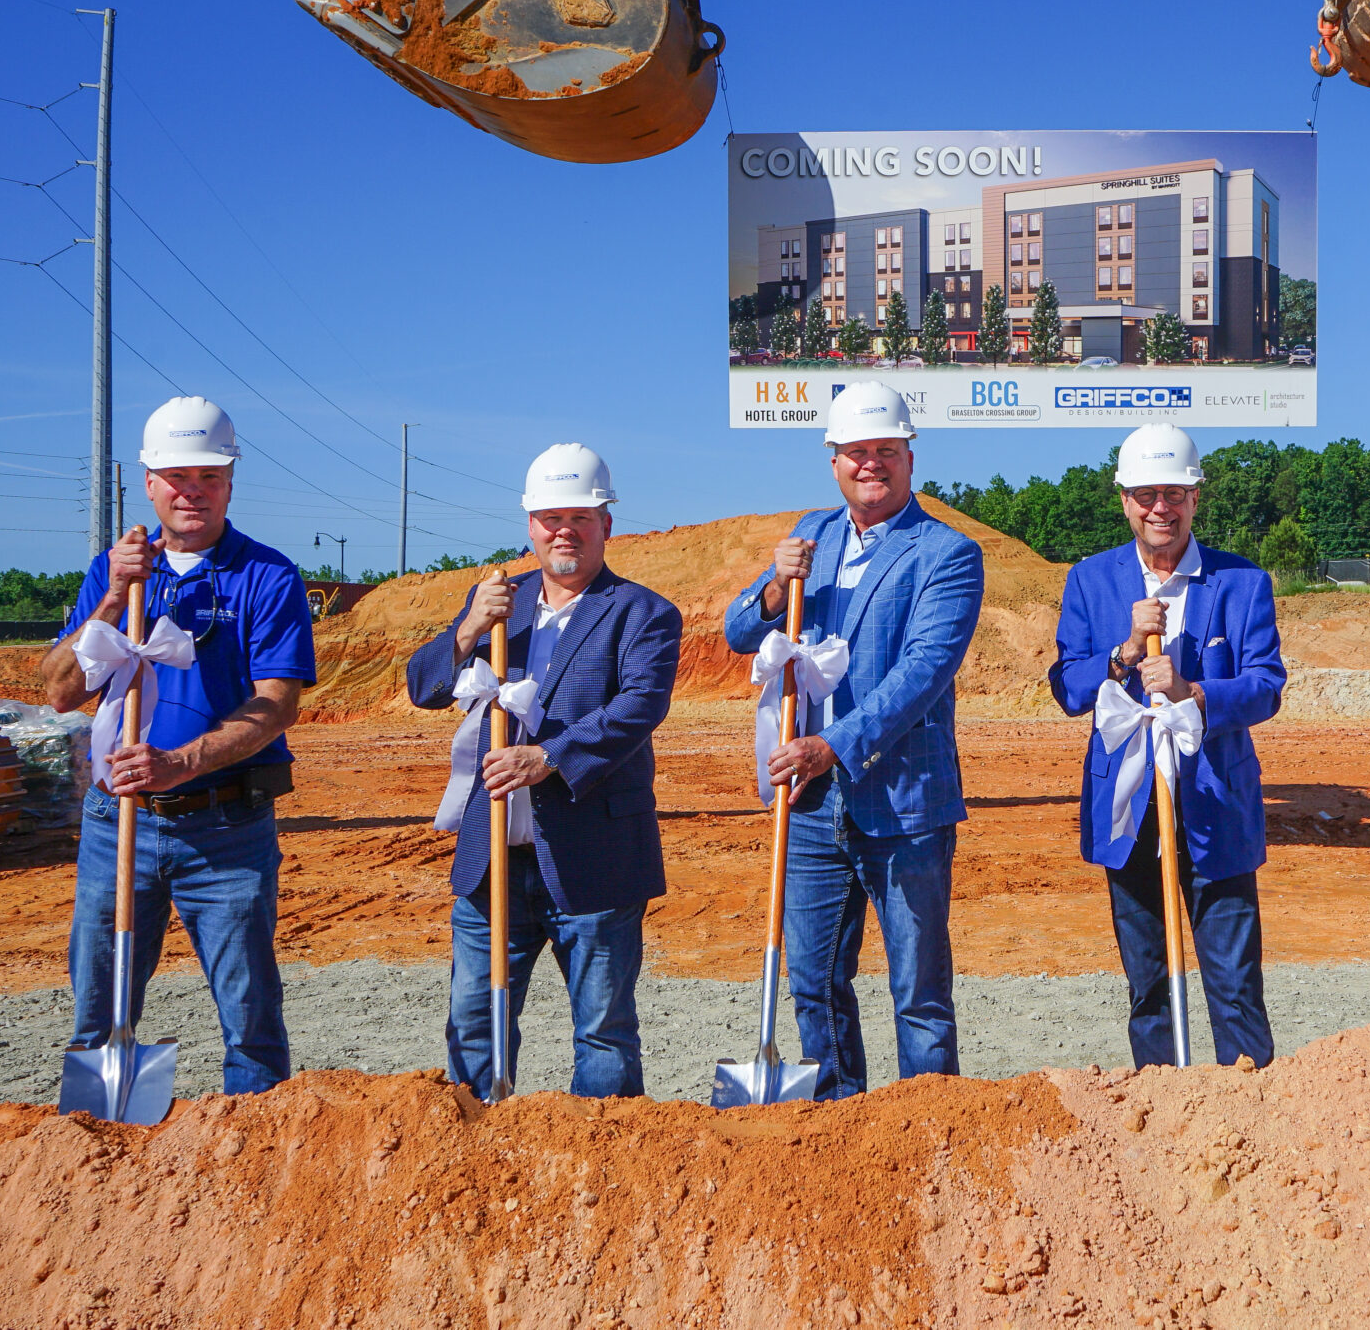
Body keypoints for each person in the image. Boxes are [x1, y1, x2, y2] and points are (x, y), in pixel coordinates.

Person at [42, 396, 316, 1094]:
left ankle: (252, 1164)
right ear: (150, 482)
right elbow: (60, 691)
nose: (192, 490)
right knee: (98, 1014)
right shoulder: (116, 572)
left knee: (251, 1023)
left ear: (229, 481)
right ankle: (100, 1157)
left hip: (226, 827)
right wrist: (112, 598)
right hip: (117, 827)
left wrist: (177, 763)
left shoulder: (268, 576)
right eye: (178, 476)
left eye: (209, 476)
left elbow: (276, 704)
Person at [722, 381, 984, 1098]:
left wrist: (831, 744)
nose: (871, 464)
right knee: (814, 983)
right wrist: (775, 591)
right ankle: (839, 1127)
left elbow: (921, 673)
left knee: (918, 993)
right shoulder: (812, 535)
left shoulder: (948, 554)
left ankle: (930, 1134)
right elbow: (737, 631)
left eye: (885, 451)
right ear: (834, 459)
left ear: (909, 456)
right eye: (857, 452)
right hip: (810, 804)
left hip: (903, 803)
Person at [405, 444, 683, 1098]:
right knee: (474, 1025)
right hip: (492, 859)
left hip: (596, 859)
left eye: (581, 516)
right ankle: (475, 1165)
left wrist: (549, 756)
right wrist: (470, 624)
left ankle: (606, 1174)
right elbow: (423, 685)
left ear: (606, 524)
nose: (565, 530)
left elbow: (639, 706)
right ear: (530, 525)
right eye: (551, 517)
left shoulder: (644, 613)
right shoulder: (500, 605)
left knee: (604, 1031)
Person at [1050, 424, 1285, 1067]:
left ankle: (1248, 1114)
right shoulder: (1091, 582)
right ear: (1124, 499)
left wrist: (1195, 693)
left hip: (1217, 807)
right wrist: (1122, 654)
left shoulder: (1241, 583)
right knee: (1149, 985)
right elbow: (1068, 687)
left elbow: (1266, 687)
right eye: (1147, 493)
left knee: (1235, 988)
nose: (1162, 507)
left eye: (1175, 493)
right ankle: (1162, 1116)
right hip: (1129, 808)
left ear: (1196, 497)